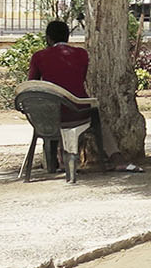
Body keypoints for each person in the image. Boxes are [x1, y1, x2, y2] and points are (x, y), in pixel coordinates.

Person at [28, 20, 141, 172]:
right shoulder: (81, 54)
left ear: (48, 38)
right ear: (68, 37)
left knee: (56, 112)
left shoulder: (39, 57)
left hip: (52, 116)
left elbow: (32, 84)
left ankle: (60, 162)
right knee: (97, 120)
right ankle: (117, 159)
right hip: (79, 112)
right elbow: (80, 79)